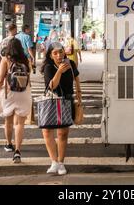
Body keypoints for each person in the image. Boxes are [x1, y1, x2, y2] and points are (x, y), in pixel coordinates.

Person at [40, 42, 82, 175]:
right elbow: (51, 86)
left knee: (63, 133)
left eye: (61, 52)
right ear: (51, 55)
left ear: (64, 52)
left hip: (66, 100)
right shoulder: (48, 67)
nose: (59, 55)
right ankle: (54, 162)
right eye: (55, 53)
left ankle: (61, 162)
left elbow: (76, 77)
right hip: (51, 100)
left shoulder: (71, 64)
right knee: (47, 131)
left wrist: (79, 94)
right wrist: (59, 71)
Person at [0, 38, 31, 163]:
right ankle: (18, 151)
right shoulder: (25, 59)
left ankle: (9, 144)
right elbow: (29, 77)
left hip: (9, 92)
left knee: (8, 121)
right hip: (24, 92)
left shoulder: (5, 59)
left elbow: (0, 79)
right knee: (20, 124)